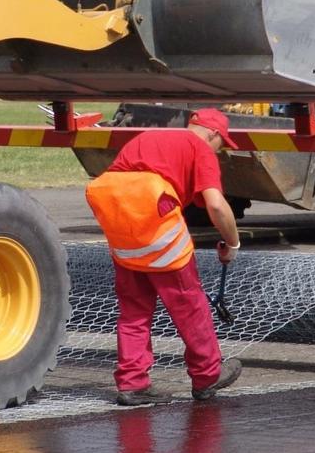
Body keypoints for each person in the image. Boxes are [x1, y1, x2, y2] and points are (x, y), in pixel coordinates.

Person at [85, 108, 244, 406]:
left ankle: (132, 384)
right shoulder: (200, 148)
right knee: (188, 302)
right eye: (221, 144)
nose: (219, 152)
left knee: (134, 307)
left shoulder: (149, 138)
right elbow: (216, 205)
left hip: (121, 220)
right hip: (154, 216)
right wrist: (232, 243)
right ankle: (207, 375)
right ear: (213, 134)